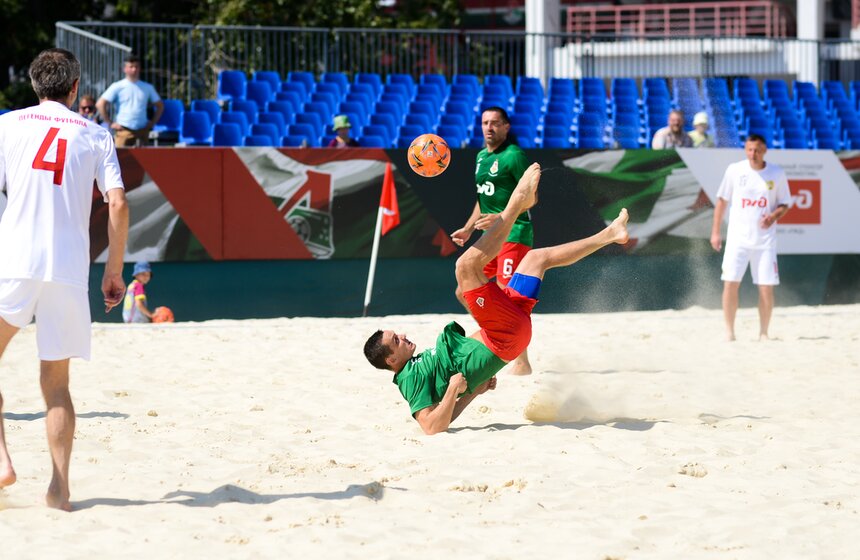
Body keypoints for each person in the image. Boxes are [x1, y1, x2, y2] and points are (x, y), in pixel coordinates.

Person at [364, 163, 630, 435]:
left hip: (507, 332)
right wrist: (455, 390)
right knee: (465, 267)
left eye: (396, 335)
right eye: (396, 341)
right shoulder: (409, 380)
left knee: (537, 259)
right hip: (502, 335)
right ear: (391, 360)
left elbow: (448, 410)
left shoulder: (416, 364)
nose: (403, 336)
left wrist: (472, 392)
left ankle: (609, 235)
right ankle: (516, 203)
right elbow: (431, 427)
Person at [0, 48, 129, 510]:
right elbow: (118, 204)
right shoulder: (95, 133)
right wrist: (113, 270)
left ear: (35, 85)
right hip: (69, 267)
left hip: (15, 259)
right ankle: (59, 490)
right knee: (56, 384)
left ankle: (1, 459)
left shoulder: (7, 125)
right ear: (75, 89)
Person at [450, 106, 534, 375]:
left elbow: (531, 198)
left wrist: (502, 216)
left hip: (515, 232)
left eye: (495, 123)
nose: (489, 127)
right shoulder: (480, 156)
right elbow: (482, 197)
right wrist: (467, 228)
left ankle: (521, 361)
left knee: (508, 293)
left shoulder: (514, 155)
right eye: (485, 122)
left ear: (506, 127)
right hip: (491, 236)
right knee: (463, 291)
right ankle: (498, 336)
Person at [710, 133, 791, 341]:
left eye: (757, 150)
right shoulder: (735, 170)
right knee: (730, 283)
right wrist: (716, 232)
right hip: (738, 239)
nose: (753, 154)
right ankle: (729, 332)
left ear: (764, 151)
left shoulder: (776, 173)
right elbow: (722, 201)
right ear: (745, 150)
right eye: (749, 150)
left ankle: (764, 333)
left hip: (765, 241)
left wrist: (773, 216)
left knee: (766, 287)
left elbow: (785, 203)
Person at [96, 54, 163, 147]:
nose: (134, 69)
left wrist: (152, 123)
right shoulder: (117, 86)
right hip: (123, 130)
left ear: (140, 68)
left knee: (145, 156)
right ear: (125, 69)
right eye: (131, 66)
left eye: (136, 66)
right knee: (121, 156)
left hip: (142, 130)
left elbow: (160, 106)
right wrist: (110, 123)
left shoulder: (148, 87)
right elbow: (100, 104)